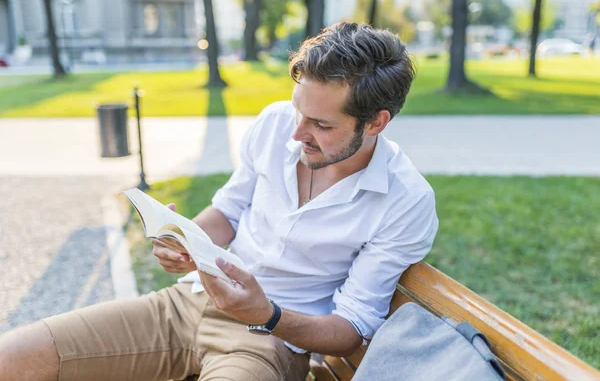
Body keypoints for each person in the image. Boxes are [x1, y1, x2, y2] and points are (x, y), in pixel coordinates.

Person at [0, 22, 438, 381]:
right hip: (185, 303)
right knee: (13, 356)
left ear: (376, 122)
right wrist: (183, 238)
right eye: (298, 111)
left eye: (321, 125)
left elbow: (352, 330)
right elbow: (228, 211)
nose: (296, 133)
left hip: (267, 341)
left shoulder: (405, 201)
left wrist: (267, 315)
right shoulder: (274, 124)